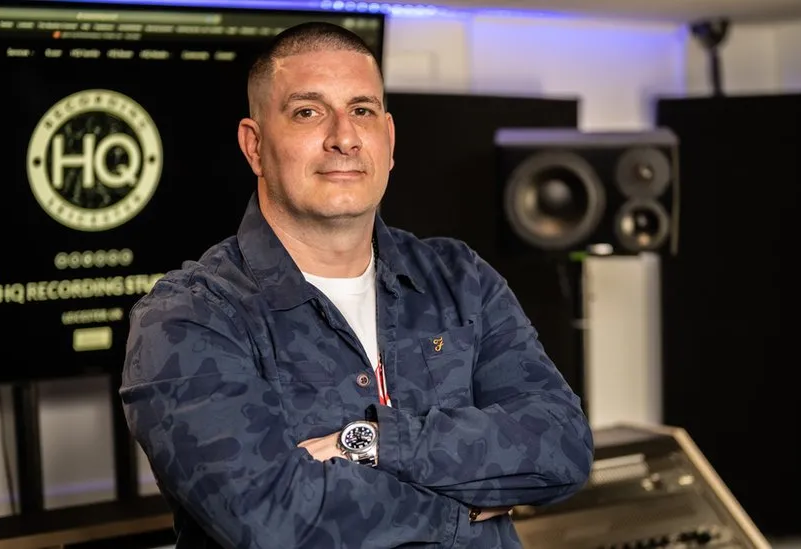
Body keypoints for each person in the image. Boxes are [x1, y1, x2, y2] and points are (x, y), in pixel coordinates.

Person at [120, 21, 594, 549]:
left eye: (362, 111)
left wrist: (375, 444)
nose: (343, 137)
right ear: (254, 146)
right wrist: (467, 508)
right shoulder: (188, 318)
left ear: (388, 141)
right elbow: (273, 519)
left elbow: (562, 446)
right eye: (308, 111)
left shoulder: (460, 280)